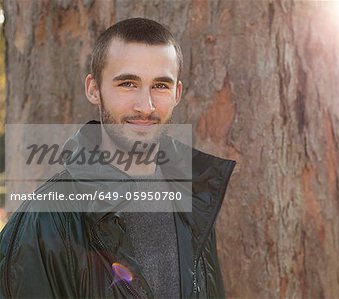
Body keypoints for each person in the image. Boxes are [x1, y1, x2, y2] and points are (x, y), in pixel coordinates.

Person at [0, 18, 235, 298]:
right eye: (127, 83)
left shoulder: (195, 193)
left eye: (160, 85)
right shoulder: (45, 220)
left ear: (177, 94)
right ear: (94, 89)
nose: (145, 106)